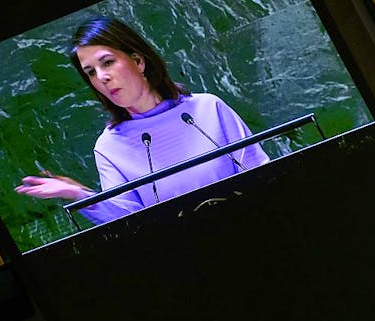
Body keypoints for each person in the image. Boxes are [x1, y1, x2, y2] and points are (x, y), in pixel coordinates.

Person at [15, 17, 269, 224]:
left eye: (108, 62)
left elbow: (263, 173)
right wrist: (77, 194)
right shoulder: (110, 146)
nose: (101, 77)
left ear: (137, 61)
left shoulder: (207, 108)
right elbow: (130, 222)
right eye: (91, 72)